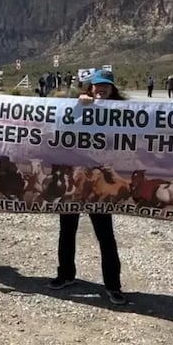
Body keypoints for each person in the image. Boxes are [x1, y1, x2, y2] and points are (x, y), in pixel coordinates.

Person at [47, 69, 127, 305]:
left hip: (101, 182)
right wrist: (78, 105)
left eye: (105, 86)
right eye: (97, 86)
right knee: (67, 228)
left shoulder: (123, 113)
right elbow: (59, 124)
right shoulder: (79, 106)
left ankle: (113, 285)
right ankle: (66, 274)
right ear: (90, 88)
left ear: (112, 89)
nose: (100, 90)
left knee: (105, 235)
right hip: (74, 178)